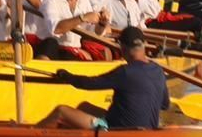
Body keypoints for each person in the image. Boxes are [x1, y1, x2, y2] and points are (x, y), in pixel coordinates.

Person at [38, 26, 169, 131]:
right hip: (147, 129)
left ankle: (31, 133)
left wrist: (66, 76)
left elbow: (89, 84)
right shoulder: (158, 70)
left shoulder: (125, 72)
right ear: (144, 45)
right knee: (85, 107)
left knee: (61, 112)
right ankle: (66, 136)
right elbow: (165, 105)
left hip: (117, 130)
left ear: (122, 48)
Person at [35, 0, 110, 60]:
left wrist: (101, 24)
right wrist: (82, 18)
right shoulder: (51, 0)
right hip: (51, 49)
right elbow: (56, 29)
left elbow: (92, 32)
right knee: (51, 43)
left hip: (73, 51)